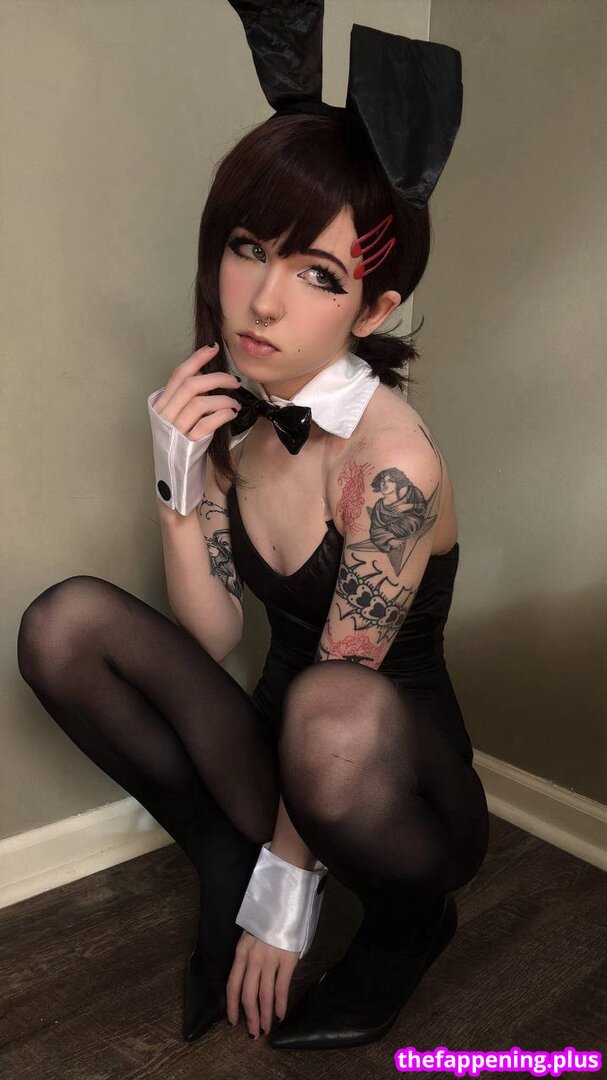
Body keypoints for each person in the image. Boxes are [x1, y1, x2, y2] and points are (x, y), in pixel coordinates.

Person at [16, 2, 490, 1055]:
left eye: (317, 274)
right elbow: (214, 636)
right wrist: (176, 484)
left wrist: (282, 909)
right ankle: (221, 855)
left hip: (392, 779)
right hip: (279, 738)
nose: (262, 302)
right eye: (246, 249)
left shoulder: (391, 464)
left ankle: (411, 925)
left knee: (326, 707)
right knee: (64, 626)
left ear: (372, 309)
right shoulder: (237, 419)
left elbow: (339, 689)